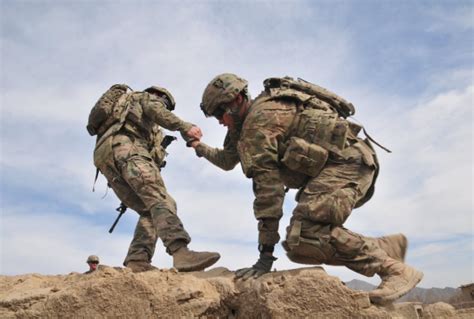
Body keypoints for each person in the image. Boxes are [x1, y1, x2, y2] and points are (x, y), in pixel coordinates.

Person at [192, 73, 423, 304]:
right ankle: (385, 247)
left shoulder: (259, 122)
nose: (220, 121)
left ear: (236, 102)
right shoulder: (243, 126)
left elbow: (268, 192)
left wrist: (265, 257)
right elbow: (228, 160)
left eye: (219, 114)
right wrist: (198, 146)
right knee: (298, 247)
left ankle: (393, 269)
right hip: (340, 164)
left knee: (307, 233)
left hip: (347, 164)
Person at [89, 84, 220, 273]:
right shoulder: (143, 98)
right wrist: (185, 127)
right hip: (128, 149)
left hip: (104, 159)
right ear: (159, 95)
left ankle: (137, 260)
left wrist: (161, 147)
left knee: (148, 211)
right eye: (165, 103)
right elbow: (158, 111)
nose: (163, 106)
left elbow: (154, 158)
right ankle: (180, 252)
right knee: (162, 200)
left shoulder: (127, 112)